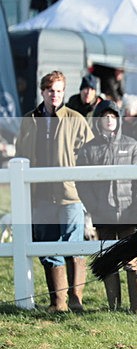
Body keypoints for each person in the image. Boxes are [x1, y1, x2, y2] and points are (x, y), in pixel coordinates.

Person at [15, 71, 94, 312]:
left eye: (59, 91)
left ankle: (76, 299)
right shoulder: (29, 120)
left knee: (74, 245)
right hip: (40, 195)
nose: (55, 95)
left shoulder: (75, 118)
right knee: (47, 246)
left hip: (70, 194)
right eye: (51, 91)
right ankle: (57, 302)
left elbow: (90, 153)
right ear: (43, 92)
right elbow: (20, 152)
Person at [77, 101, 137, 313]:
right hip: (104, 216)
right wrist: (94, 207)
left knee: (131, 260)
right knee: (109, 261)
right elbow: (82, 183)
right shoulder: (89, 150)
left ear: (118, 119)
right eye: (104, 116)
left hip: (128, 214)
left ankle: (136, 308)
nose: (109, 120)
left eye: (112, 115)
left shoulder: (132, 146)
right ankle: (114, 308)